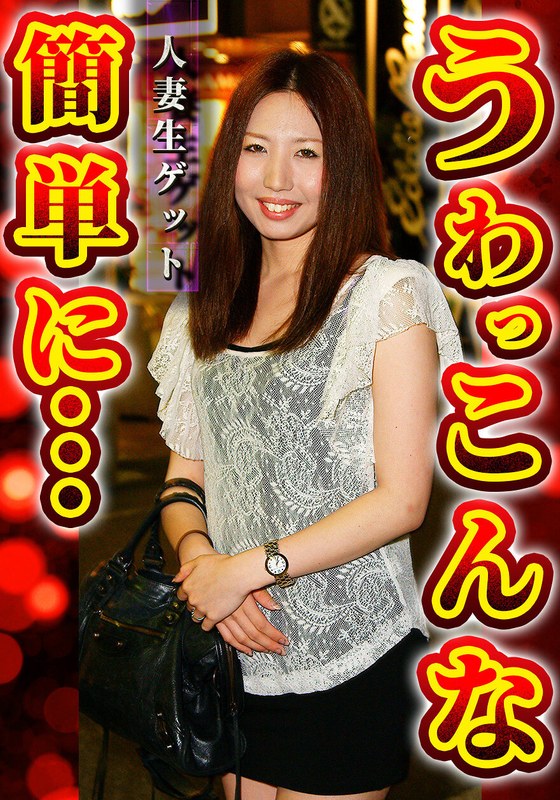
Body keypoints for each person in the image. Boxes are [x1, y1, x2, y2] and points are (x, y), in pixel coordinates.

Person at [148, 49, 461, 800]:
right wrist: (203, 565)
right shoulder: (202, 309)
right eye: (256, 148)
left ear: (343, 166)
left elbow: (403, 501)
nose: (277, 179)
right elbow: (183, 482)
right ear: (230, 160)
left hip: (350, 650)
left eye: (308, 153)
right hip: (232, 647)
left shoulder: (387, 295)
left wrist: (244, 571)